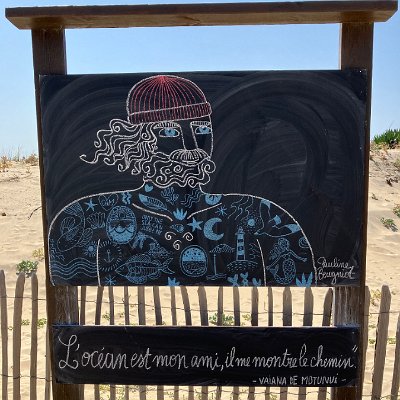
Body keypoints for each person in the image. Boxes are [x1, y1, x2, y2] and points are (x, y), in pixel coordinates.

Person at [48, 75, 315, 286]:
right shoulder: (85, 217)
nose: (191, 146)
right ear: (138, 143)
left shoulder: (260, 216)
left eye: (201, 129)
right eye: (169, 131)